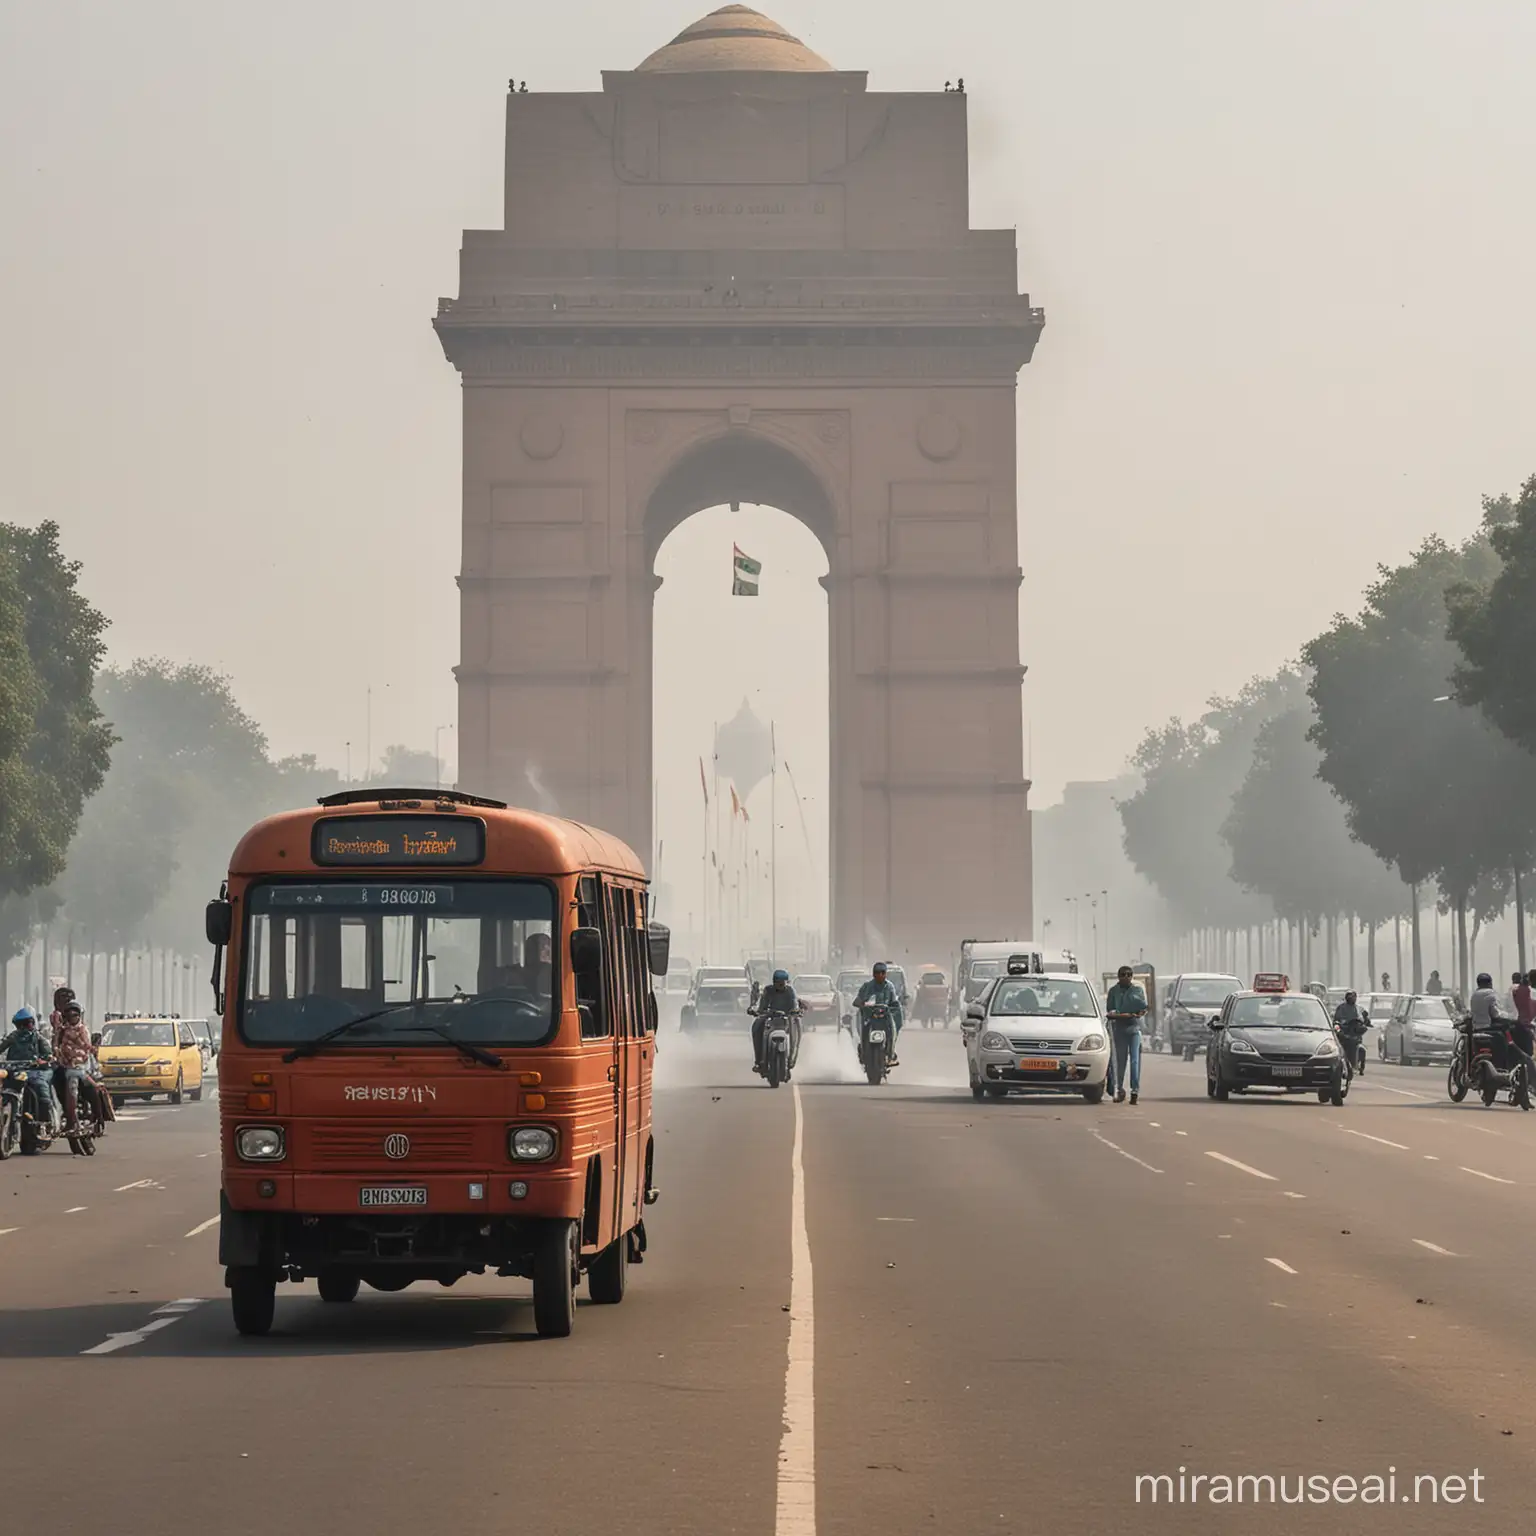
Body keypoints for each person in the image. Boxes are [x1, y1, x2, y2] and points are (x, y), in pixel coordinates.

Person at [2, 1006, 58, 1120]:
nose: (24, 1027)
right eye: (21, 1024)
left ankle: (45, 1120)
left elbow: (49, 1054)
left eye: (27, 1024)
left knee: (40, 1087)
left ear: (32, 1024)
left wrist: (45, 1059)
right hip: (15, 1070)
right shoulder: (13, 1037)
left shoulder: (38, 1037)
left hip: (35, 1070)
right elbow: (1, 1047)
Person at [1104, 965, 1147, 1104]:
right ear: (1119, 976)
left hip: (1134, 1028)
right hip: (1119, 1029)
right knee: (1119, 1062)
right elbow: (1110, 1010)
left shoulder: (1137, 990)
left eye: (1129, 975)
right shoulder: (1113, 991)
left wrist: (1135, 1012)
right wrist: (1117, 1013)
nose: (1126, 977)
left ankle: (1135, 1091)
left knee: (1135, 1061)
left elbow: (1143, 1008)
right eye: (1123, 974)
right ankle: (1119, 1089)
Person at [52, 999, 95, 1133]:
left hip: (79, 1065)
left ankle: (73, 1119)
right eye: (69, 1016)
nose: (72, 1018)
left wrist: (76, 1057)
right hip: (64, 1064)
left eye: (75, 1015)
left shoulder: (83, 1030)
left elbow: (86, 1047)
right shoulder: (62, 1031)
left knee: (73, 1084)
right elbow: (54, 1046)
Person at [853, 961, 904, 1065]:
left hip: (885, 1018)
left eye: (882, 972)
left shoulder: (890, 987)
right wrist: (861, 1004)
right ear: (873, 974)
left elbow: (894, 1002)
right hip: (870, 1018)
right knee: (863, 1026)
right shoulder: (867, 986)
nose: (880, 975)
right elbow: (859, 999)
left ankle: (890, 1052)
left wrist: (894, 1008)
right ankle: (863, 1050)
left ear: (885, 974)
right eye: (877, 973)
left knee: (893, 1028)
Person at [752, 968, 800, 1075]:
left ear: (786, 983)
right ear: (774, 982)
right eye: (778, 983)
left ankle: (791, 1058)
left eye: (782, 983)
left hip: (786, 1018)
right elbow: (761, 1004)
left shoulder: (790, 991)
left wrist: (795, 1011)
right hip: (770, 1017)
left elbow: (794, 1003)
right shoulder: (768, 990)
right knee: (757, 1026)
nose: (780, 986)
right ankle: (759, 1061)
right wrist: (756, 1010)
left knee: (796, 1028)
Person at [1332, 990, 1368, 1076]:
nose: (1352, 998)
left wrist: (1365, 1022)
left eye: (1354, 996)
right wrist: (1338, 1028)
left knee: (1362, 1049)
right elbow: (1336, 1021)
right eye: (1350, 996)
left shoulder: (1358, 1008)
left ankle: (1359, 1066)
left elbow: (1364, 1018)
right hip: (1344, 1032)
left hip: (1354, 1032)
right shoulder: (1341, 1008)